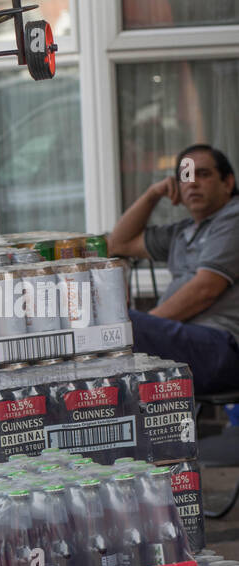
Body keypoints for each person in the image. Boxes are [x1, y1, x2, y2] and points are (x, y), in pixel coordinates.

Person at [109, 143, 239, 394]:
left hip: (221, 347)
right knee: (114, 329)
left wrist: (144, 328)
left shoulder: (233, 218)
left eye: (203, 174)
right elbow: (119, 243)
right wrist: (152, 195)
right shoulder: (183, 231)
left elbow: (206, 290)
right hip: (186, 343)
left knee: (120, 327)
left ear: (227, 182)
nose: (192, 183)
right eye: (185, 177)